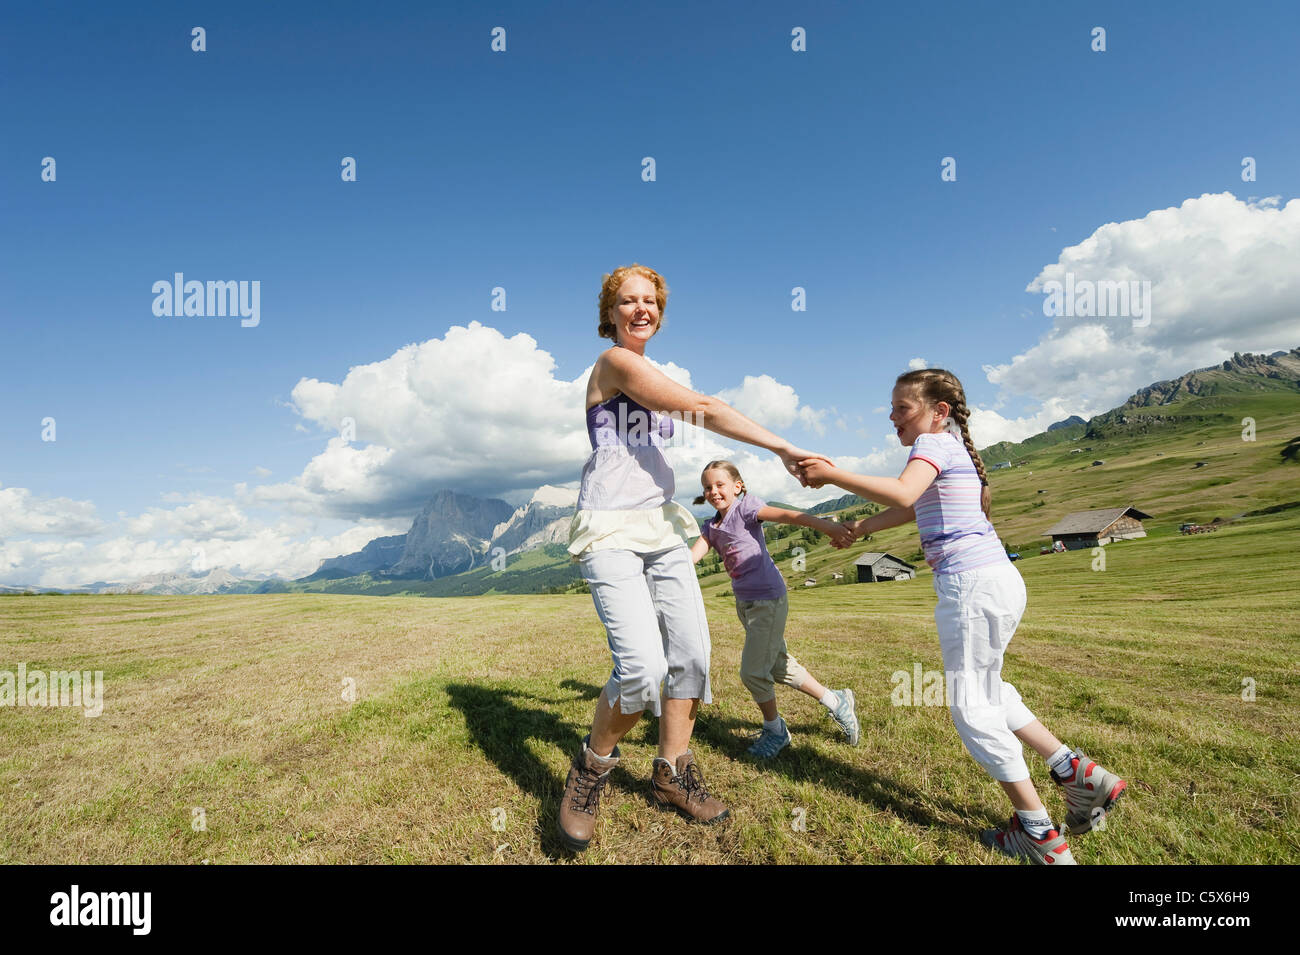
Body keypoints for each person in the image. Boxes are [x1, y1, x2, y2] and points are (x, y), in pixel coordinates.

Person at [799, 368, 1127, 865]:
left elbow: (905, 494)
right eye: (891, 408)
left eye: (901, 408)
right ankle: (1076, 773)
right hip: (994, 582)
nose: (892, 417)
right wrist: (861, 527)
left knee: (971, 705)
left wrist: (832, 473)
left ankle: (1039, 835)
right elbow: (913, 507)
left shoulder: (931, 445)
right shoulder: (949, 448)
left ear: (939, 411)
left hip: (972, 586)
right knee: (990, 689)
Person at [557, 263, 833, 853]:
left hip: (660, 526)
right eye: (628, 301)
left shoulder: (650, 370)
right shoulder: (614, 364)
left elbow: (686, 414)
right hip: (609, 527)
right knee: (639, 671)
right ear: (609, 313)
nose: (642, 310)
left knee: (690, 657)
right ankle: (591, 767)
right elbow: (704, 408)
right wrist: (784, 446)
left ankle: (670, 772)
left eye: (651, 301)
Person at [689, 460, 861, 757]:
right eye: (708, 487)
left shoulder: (746, 509)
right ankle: (836, 701)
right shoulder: (711, 527)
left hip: (769, 599)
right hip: (746, 604)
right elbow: (689, 559)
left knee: (753, 672)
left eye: (720, 484)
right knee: (779, 665)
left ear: (737, 487)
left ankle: (775, 730)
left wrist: (829, 526)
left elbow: (791, 516)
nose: (713, 491)